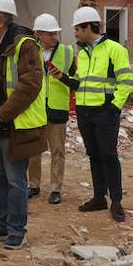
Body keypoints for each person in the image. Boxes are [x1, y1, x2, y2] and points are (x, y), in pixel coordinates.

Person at [0, 0, 46, 250]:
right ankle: (3, 224)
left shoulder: (24, 45)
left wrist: (2, 115)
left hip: (15, 126)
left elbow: (30, 85)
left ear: (2, 21)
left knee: (16, 181)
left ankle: (17, 230)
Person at [68, 6, 133, 223]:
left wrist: (114, 109)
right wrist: (63, 78)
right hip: (85, 112)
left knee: (109, 155)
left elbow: (125, 83)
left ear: (89, 27)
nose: (75, 33)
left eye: (78, 28)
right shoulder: (84, 52)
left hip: (105, 112)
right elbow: (81, 82)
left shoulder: (115, 49)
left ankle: (116, 201)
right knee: (94, 155)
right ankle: (99, 198)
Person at [27, 13, 76, 206]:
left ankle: (56, 189)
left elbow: (77, 81)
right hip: (36, 109)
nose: (54, 37)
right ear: (38, 34)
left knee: (58, 152)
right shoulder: (30, 51)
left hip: (57, 110)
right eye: (50, 34)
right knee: (33, 151)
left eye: (55, 33)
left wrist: (62, 77)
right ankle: (34, 185)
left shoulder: (67, 52)